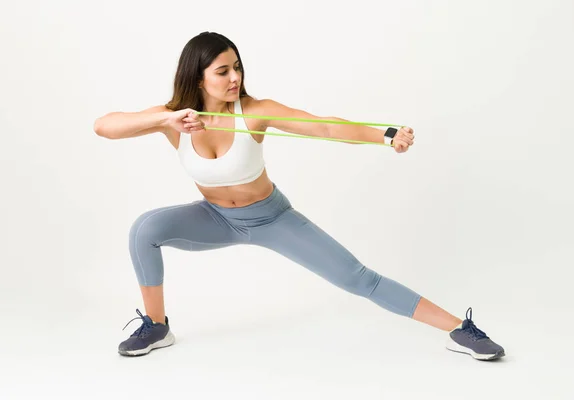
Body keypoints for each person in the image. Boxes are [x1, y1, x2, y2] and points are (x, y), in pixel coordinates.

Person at [94, 31, 505, 361]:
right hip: (216, 218)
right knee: (145, 229)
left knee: (358, 278)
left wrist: (385, 135)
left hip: (272, 219)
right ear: (198, 77)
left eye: (237, 67)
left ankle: (458, 329)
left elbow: (324, 127)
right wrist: (166, 117)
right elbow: (105, 126)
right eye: (222, 71)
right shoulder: (176, 120)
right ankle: (157, 324)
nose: (234, 78)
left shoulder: (254, 111)